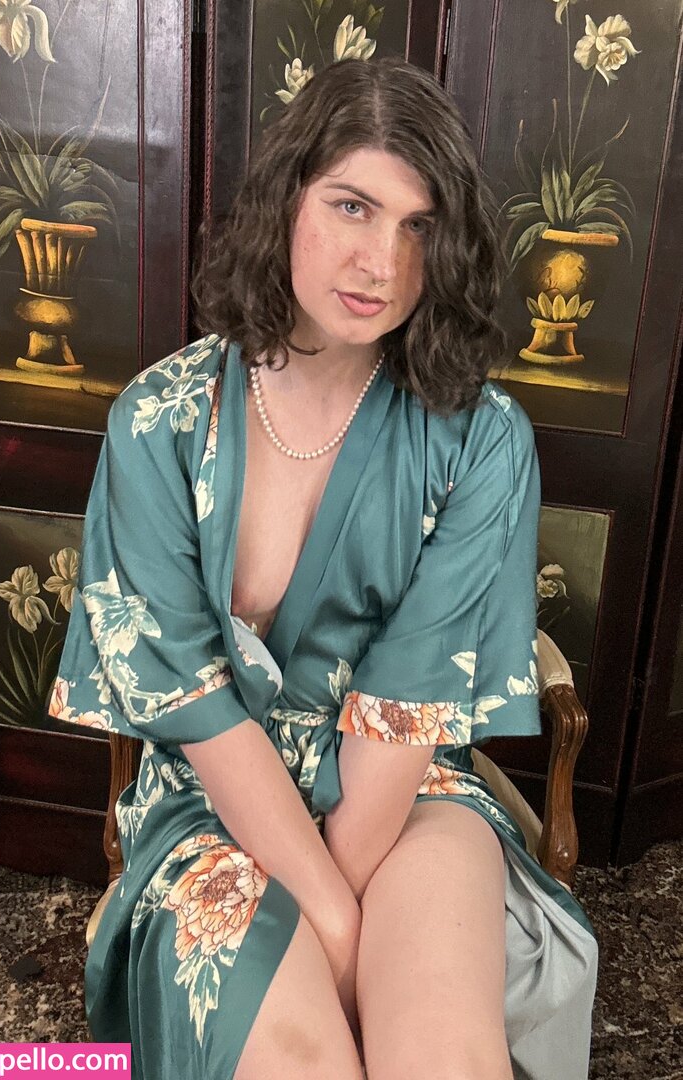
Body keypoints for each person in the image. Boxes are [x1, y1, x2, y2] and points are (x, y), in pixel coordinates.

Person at [50, 57, 598, 1080]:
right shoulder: (160, 422)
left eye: (419, 226)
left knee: (441, 1054)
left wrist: (350, 915)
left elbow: (406, 712)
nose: (381, 261)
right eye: (353, 206)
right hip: (214, 806)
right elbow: (195, 707)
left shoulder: (480, 439)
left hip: (407, 795)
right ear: (286, 197)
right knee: (301, 1061)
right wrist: (339, 926)